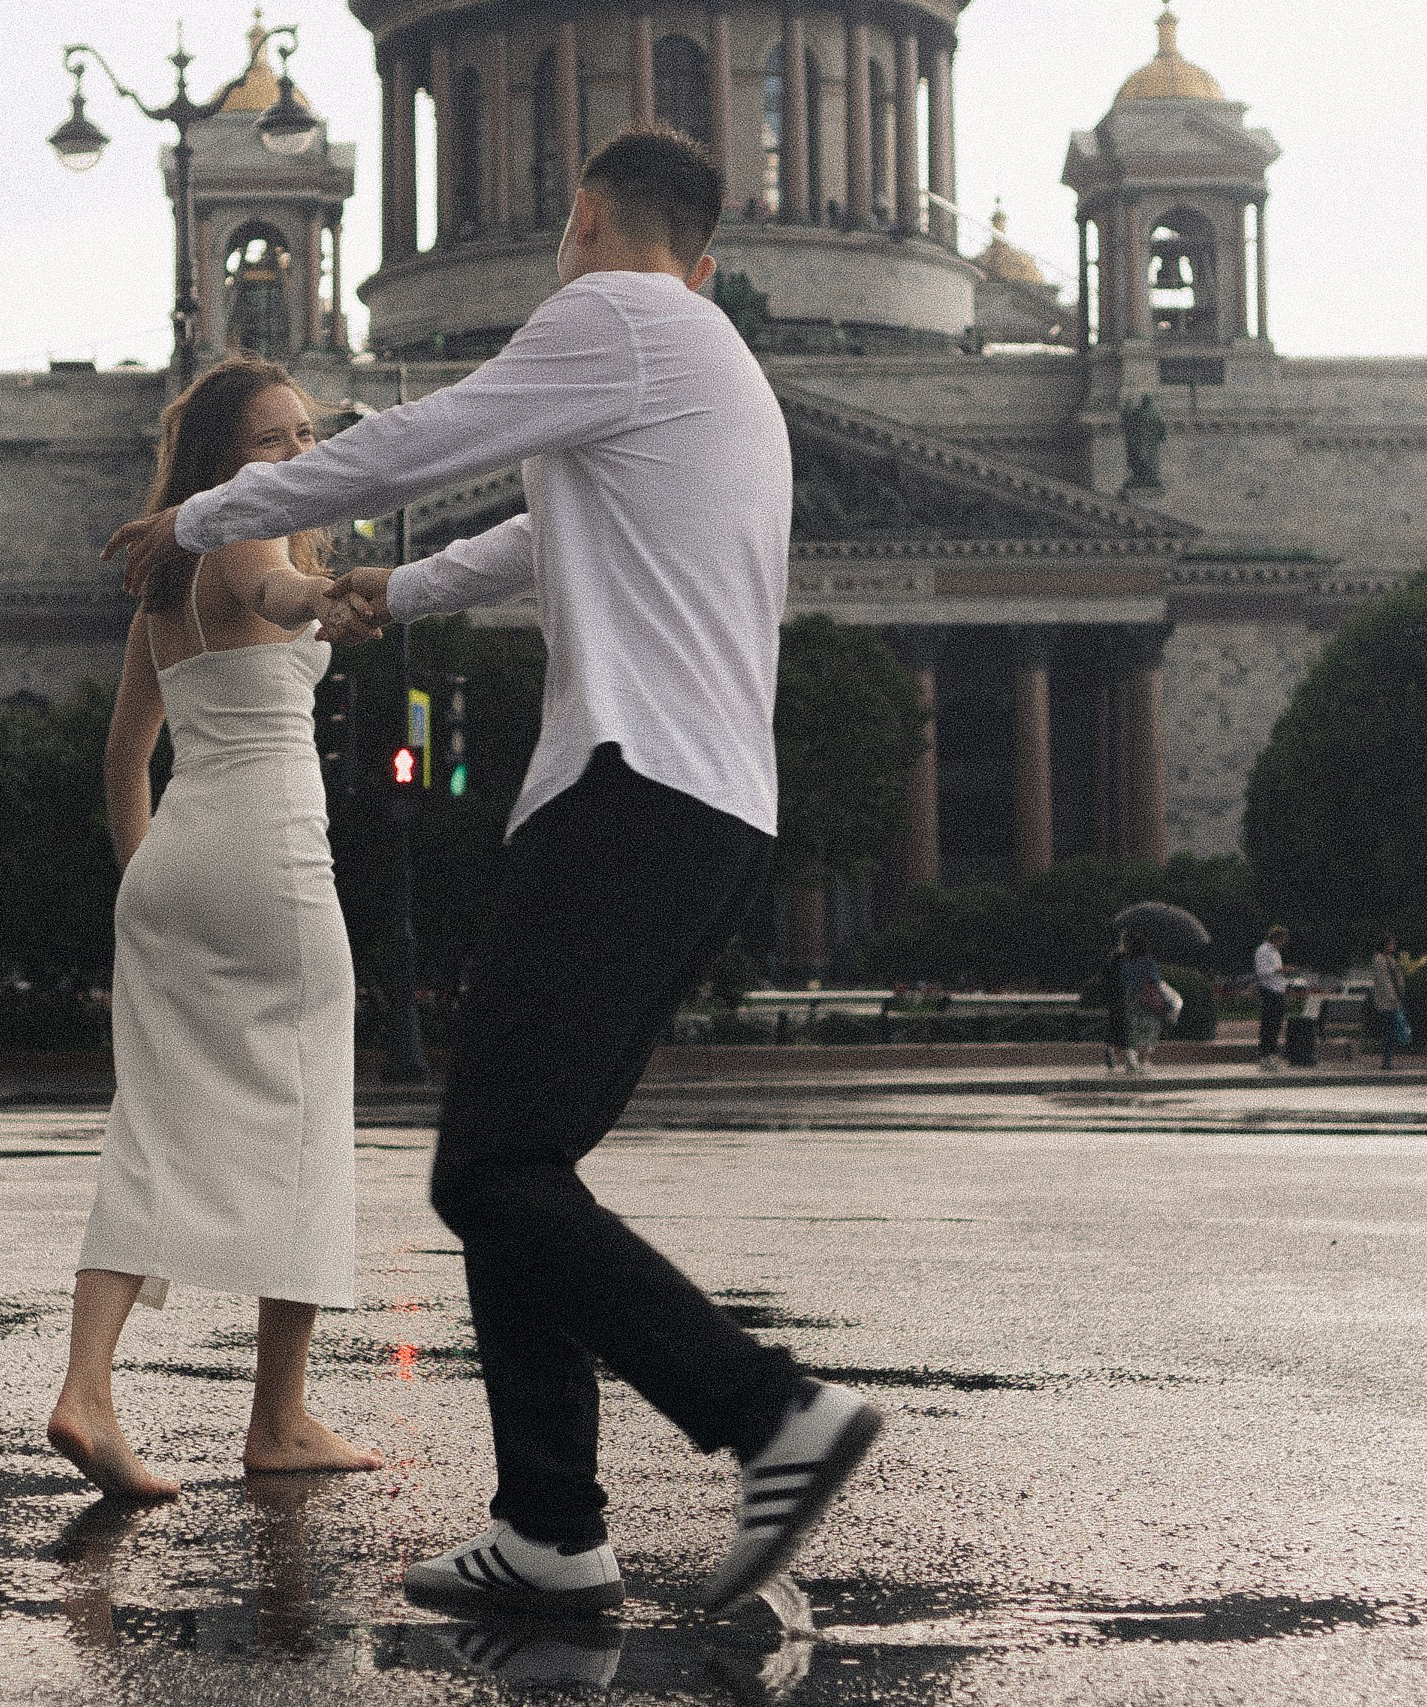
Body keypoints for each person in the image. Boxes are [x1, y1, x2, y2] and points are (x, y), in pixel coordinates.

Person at [108, 126, 881, 1618]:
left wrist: (203, 514)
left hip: (628, 794)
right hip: (711, 811)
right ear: (706, 252)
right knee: (520, 1165)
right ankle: (549, 1526)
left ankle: (769, 1410)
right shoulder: (715, 368)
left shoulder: (614, 313)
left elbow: (424, 441)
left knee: (490, 1167)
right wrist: (398, 587)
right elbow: (545, 525)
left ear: (584, 216)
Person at [46, 356, 383, 1502]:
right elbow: (284, 600)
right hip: (271, 857)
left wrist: (150, 879)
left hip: (181, 861)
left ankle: (87, 1390)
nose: (298, 452)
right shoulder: (250, 548)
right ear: (221, 465)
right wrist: (330, 601)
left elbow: (123, 755)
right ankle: (278, 1418)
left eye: (305, 434)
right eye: (270, 441)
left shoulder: (164, 586)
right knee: (306, 1122)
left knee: (152, 1129)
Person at [1119, 932, 1165, 1075]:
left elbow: (1122, 980)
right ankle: (1144, 1062)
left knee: (1133, 1029)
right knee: (1150, 1030)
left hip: (1130, 999)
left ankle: (1131, 1059)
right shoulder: (1148, 962)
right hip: (1147, 999)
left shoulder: (1125, 962)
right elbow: (1155, 981)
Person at [1254, 925, 1295, 1071]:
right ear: (1276, 938)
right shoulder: (1263, 951)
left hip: (1277, 990)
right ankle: (1266, 1055)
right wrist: (1280, 970)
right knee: (1269, 1024)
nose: (1283, 943)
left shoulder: (1275, 952)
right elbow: (1261, 972)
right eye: (1282, 940)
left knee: (1276, 1024)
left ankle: (1271, 1054)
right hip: (1269, 991)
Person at [1368, 935, 1410, 1071]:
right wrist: (1393, 998)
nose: (1393, 947)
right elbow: (1384, 981)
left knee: (1393, 1030)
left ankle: (1389, 1059)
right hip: (1387, 1001)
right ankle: (1387, 1061)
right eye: (1390, 944)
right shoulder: (1379, 960)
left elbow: (1397, 978)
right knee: (1389, 1031)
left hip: (1396, 999)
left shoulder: (1391, 960)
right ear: (1384, 945)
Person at [1100, 931, 1132, 1072]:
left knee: (1114, 1025)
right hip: (1125, 997)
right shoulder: (1127, 959)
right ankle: (1128, 1059)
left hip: (1113, 997)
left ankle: (1111, 1049)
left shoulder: (1113, 958)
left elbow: (1106, 977)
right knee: (1126, 1028)